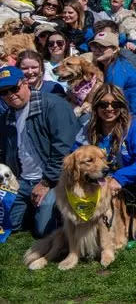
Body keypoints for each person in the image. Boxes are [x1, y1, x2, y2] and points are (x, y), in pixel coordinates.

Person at [73, 84, 136, 243]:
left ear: (122, 106)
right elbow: (75, 156)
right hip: (100, 183)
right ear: (96, 107)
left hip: (132, 182)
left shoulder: (135, 127)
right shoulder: (87, 129)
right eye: (103, 104)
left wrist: (120, 178)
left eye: (115, 104)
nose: (109, 108)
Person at [0, 66, 82, 237]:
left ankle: (54, 207)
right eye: (3, 92)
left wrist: (46, 183)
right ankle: (35, 207)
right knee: (9, 224)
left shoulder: (54, 106)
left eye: (14, 89)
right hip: (21, 180)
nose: (10, 95)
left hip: (55, 178)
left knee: (42, 231)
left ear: (26, 83)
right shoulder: (6, 117)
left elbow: (63, 150)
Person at [89, 31, 136, 140]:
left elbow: (111, 103)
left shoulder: (117, 70)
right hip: (131, 120)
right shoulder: (110, 65)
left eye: (102, 47)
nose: (97, 50)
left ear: (115, 49)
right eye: (94, 46)